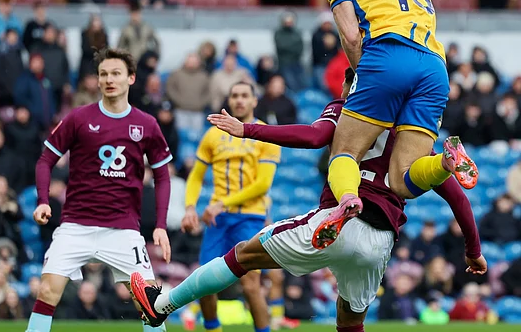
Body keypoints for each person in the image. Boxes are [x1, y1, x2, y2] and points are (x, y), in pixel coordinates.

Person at [131, 68, 488, 332]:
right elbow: (456, 194)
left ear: (353, 85)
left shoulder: (350, 110)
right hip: (381, 238)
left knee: (242, 256)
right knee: (350, 322)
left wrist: (249, 129)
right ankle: (442, 162)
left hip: (337, 218)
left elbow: (314, 135)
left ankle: (162, 305)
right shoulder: (410, 132)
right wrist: (474, 250)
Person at [318, 0, 477, 247]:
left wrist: (368, 77)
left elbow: (349, 36)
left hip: (389, 56)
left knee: (343, 153)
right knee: (403, 179)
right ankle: (446, 161)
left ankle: (347, 201)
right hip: (435, 66)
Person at [25, 48, 173, 332]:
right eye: (103, 74)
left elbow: (162, 176)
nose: (109, 79)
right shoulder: (78, 118)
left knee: (150, 305)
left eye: (116, 73)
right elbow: (45, 160)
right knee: (46, 292)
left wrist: (161, 225)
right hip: (75, 226)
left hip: (123, 229)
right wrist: (43, 200)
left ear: (131, 78)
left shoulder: (147, 124)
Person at [182, 82, 280, 332]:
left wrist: (221, 204)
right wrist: (190, 207)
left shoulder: (266, 134)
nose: (239, 100)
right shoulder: (213, 134)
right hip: (218, 221)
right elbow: (195, 176)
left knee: (250, 285)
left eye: (245, 95)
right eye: (234, 95)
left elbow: (262, 184)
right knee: (203, 284)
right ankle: (213, 329)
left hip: (250, 218)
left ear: (254, 101)